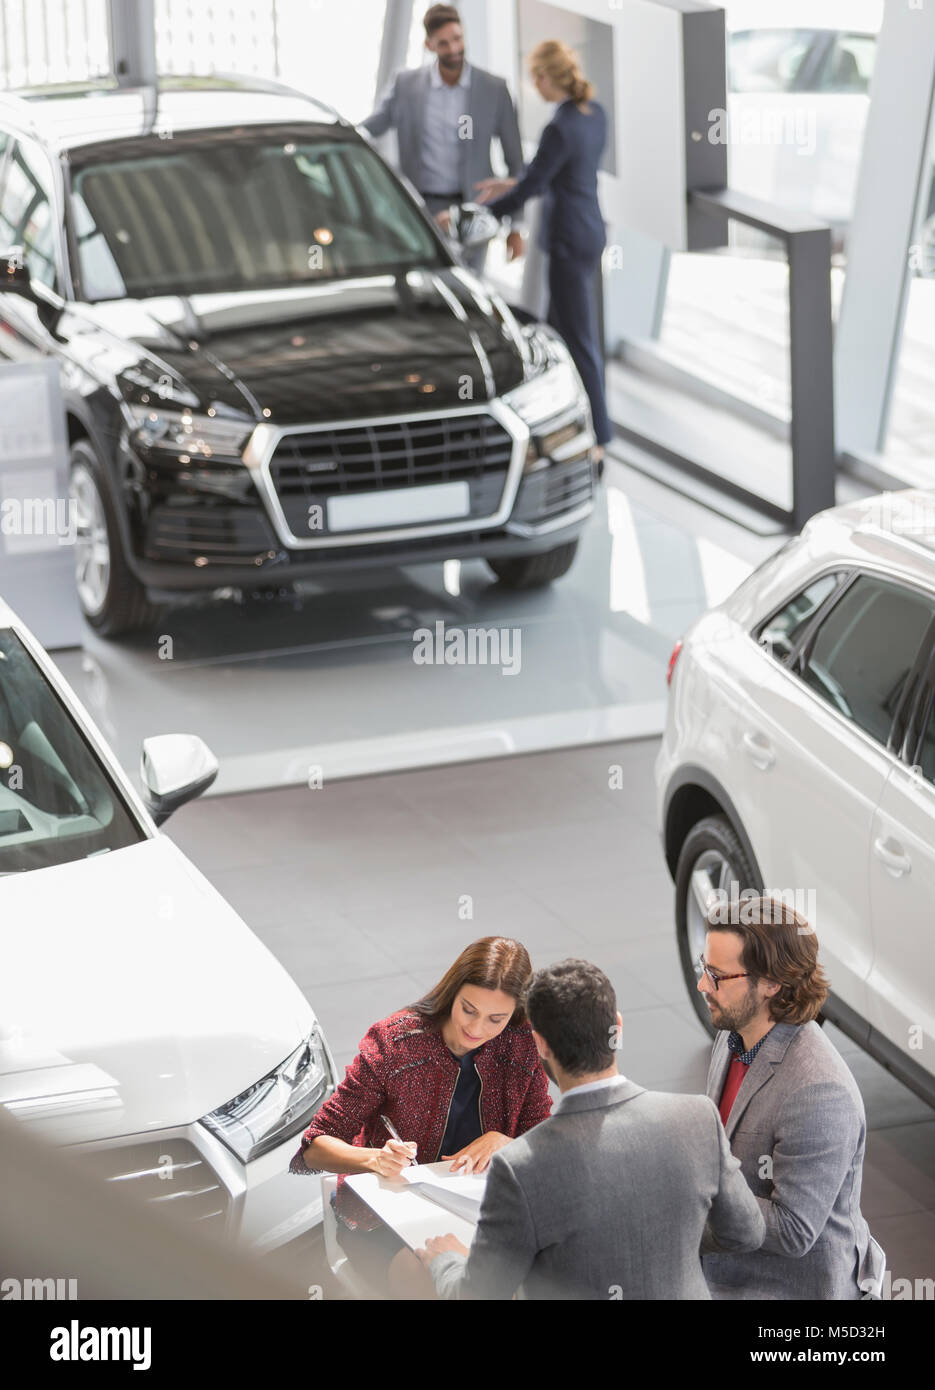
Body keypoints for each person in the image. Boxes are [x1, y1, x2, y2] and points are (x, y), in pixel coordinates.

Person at [417, 958, 765, 1299]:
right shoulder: (697, 1118)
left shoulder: (521, 1166)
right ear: (617, 1025)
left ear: (540, 1044)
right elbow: (747, 1233)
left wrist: (446, 1261)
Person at [288, 936, 551, 1295]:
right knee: (426, 1277)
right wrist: (374, 1158)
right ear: (452, 992)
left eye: (496, 1019)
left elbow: (546, 1142)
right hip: (381, 1217)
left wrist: (507, 1141)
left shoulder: (520, 1043)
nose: (476, 1029)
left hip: (478, 1211)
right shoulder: (394, 1042)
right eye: (468, 1009)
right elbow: (313, 1147)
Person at [698, 895, 882, 1299]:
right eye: (703, 967)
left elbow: (793, 1229)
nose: (702, 985)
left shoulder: (818, 1091)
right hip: (728, 1277)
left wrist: (688, 1208)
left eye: (717, 975)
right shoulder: (732, 1034)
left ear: (771, 984)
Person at [475, 40, 612, 466]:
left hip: (568, 239)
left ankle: (599, 437)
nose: (534, 86)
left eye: (535, 78)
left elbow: (536, 184)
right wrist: (511, 182)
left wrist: (480, 214)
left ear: (546, 77)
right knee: (558, 331)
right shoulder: (592, 115)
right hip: (588, 230)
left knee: (576, 338)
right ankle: (563, 424)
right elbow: (553, 173)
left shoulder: (559, 126)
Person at [360, 4, 525, 274]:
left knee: (472, 288)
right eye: (444, 43)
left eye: (457, 39)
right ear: (429, 45)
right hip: (422, 209)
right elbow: (374, 126)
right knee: (424, 285)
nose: (453, 49)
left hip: (474, 207)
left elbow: (515, 162)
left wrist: (516, 227)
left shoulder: (494, 89)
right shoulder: (406, 85)